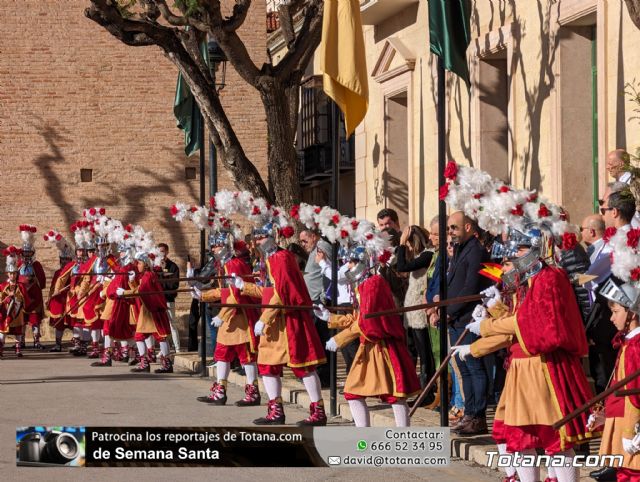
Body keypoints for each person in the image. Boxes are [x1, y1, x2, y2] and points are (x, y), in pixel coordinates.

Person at [457, 224, 597, 482]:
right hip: (522, 367)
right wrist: (496, 310)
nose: (512, 260)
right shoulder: (527, 283)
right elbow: (516, 322)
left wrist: (486, 326)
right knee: (518, 435)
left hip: (545, 365)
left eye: (520, 250)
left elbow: (528, 322)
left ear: (536, 250)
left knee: (555, 437)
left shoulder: (550, 278)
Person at [238, 215, 327, 427]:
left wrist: (264, 318)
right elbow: (269, 291)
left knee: (302, 365)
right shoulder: (267, 260)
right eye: (256, 239)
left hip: (287, 319)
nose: (258, 242)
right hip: (273, 320)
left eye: (262, 238)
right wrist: (244, 286)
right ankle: (275, 411)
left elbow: (282, 293)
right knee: (267, 365)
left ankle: (318, 411)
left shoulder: (281, 257)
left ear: (273, 236)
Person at [321, 244, 421, 427]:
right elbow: (360, 318)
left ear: (363, 263)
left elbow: (366, 323)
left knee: (394, 394)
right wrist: (331, 318)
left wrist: (339, 339)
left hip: (382, 347)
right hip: (368, 346)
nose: (348, 266)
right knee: (353, 392)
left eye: (352, 262)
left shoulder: (373, 284)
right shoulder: (365, 284)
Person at [192, 229, 262, 407]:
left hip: (240, 317)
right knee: (221, 354)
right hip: (230, 316)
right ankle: (219, 391)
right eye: (213, 246)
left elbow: (236, 295)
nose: (214, 249)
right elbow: (225, 291)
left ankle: (253, 392)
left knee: (246, 356)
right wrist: (204, 295)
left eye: (217, 246)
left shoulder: (234, 264)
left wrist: (222, 315)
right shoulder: (225, 264)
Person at [587, 274, 640, 482]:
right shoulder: (628, 343)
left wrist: (631, 431)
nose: (611, 318)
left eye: (615, 311)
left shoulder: (635, 347)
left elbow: (635, 394)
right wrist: (605, 415)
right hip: (621, 420)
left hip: (631, 426)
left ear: (632, 314)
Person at [446, 211, 492, 435]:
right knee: (463, 369)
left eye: (453, 227)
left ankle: (478, 416)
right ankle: (468, 413)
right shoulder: (459, 250)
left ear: (467, 227)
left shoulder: (476, 250)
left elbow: (470, 287)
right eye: (448, 229)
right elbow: (452, 281)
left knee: (474, 367)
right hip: (455, 318)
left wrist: (451, 310)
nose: (450, 232)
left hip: (468, 318)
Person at [118, 245, 173, 374]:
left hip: (152, 312)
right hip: (147, 310)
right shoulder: (145, 276)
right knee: (140, 336)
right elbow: (139, 289)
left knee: (160, 337)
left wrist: (125, 292)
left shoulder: (148, 275)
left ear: (145, 264)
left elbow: (140, 291)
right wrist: (132, 281)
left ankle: (165, 364)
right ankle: (145, 363)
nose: (137, 266)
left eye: (139, 263)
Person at [396, 225, 435, 394]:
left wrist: (402, 244)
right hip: (411, 310)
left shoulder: (428, 255)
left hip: (419, 310)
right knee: (413, 350)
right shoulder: (420, 256)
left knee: (424, 352)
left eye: (410, 244)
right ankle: (415, 386)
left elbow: (402, 267)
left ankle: (427, 389)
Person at [299, 229, 331, 387]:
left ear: (313, 236)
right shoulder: (314, 249)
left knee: (322, 338)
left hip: (320, 301)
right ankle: (319, 372)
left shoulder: (322, 247)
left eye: (304, 241)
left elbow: (327, 273)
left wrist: (323, 298)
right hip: (313, 301)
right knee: (317, 338)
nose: (302, 245)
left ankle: (325, 376)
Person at [17, 225, 46, 349]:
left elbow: (42, 280)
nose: (27, 254)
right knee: (22, 319)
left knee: (35, 320)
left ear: (32, 253)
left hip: (34, 295)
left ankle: (36, 341)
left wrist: (33, 281)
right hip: (22, 295)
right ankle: (21, 341)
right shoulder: (18, 264)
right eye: (25, 252)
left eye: (29, 252)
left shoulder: (36, 265)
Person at [44, 231, 74, 352]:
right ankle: (58, 344)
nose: (65, 262)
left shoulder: (73, 271)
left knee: (74, 323)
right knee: (59, 324)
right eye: (63, 260)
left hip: (70, 298)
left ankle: (78, 344)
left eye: (67, 260)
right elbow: (53, 287)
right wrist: (50, 297)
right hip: (58, 300)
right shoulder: (57, 272)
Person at [0, 247, 27, 358]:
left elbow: (23, 297)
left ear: (17, 273)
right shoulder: (2, 286)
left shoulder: (20, 286)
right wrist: (6, 299)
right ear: (7, 274)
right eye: (10, 273)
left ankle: (18, 349)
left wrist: (15, 296)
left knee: (17, 331)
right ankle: (1, 349)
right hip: (5, 311)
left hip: (17, 311)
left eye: (14, 273)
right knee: (2, 330)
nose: (12, 275)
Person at [157, 243, 181, 353]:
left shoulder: (173, 266)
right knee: (160, 325)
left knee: (172, 324)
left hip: (168, 299)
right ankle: (163, 350)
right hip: (158, 299)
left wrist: (163, 274)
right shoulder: (155, 267)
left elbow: (174, 285)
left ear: (167, 252)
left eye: (162, 251)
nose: (161, 253)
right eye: (159, 251)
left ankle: (177, 348)